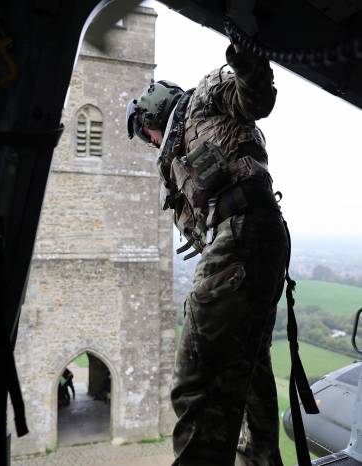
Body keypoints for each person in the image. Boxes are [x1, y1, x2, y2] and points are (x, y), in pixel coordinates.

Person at [126, 44, 288, 466]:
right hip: (257, 237)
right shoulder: (177, 165)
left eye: (147, 134)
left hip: (244, 232)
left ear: (152, 116)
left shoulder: (202, 100)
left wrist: (246, 56)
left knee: (194, 380)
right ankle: (261, 460)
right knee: (248, 367)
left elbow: (254, 97)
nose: (151, 143)